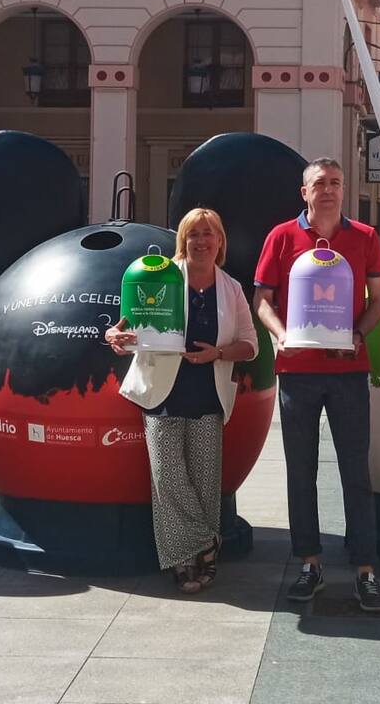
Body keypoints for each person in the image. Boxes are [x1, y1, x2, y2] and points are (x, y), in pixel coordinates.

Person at [254, 157, 380, 612]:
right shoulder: (280, 236)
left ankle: (365, 569)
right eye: (319, 183)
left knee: (356, 472)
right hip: (298, 372)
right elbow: (263, 301)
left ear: (343, 188)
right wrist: (280, 334)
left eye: (335, 182)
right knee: (300, 471)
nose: (328, 190)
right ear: (304, 192)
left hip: (348, 369)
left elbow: (377, 302)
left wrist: (357, 334)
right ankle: (309, 563)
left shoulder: (366, 237)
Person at [106, 208, 259, 593]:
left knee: (205, 481)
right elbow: (128, 328)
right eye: (194, 235)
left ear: (221, 241)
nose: (202, 241)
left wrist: (218, 354)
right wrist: (116, 337)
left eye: (209, 234)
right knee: (167, 478)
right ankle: (200, 545)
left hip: (208, 393)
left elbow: (250, 345)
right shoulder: (160, 275)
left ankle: (197, 560)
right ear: (183, 241)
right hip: (161, 392)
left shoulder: (232, 288)